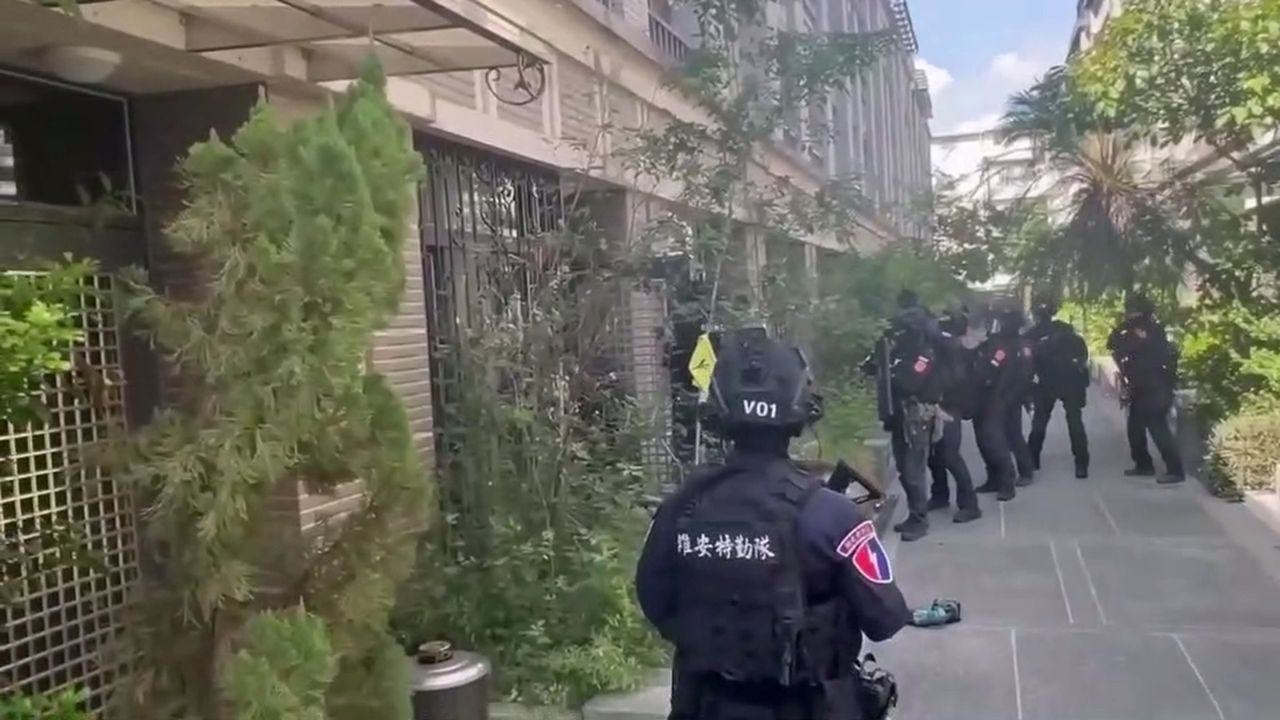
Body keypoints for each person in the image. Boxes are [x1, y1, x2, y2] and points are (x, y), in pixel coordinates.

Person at [636, 327, 911, 720]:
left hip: (704, 706)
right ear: (801, 407)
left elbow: (655, 601)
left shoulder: (680, 506)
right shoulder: (833, 514)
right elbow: (885, 617)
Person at [861, 289, 943, 541]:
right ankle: (914, 515)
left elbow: (911, 381)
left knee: (913, 469)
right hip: (899, 414)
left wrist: (892, 371)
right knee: (906, 470)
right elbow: (872, 367)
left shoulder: (923, 350)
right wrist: (881, 359)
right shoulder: (897, 347)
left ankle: (920, 520)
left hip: (916, 415)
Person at [1107, 293, 1185, 483]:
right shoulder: (1140, 329)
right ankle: (1143, 464)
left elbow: (1118, 347)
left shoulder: (1146, 331)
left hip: (1155, 385)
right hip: (1142, 385)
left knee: (1157, 426)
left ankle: (1175, 470)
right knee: (1135, 426)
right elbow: (1114, 346)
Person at [927, 306, 982, 523]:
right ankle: (940, 495)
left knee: (950, 455)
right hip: (940, 403)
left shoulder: (952, 346)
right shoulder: (946, 345)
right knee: (935, 455)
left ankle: (970, 504)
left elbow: (955, 378)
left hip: (950, 405)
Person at [1025, 297, 1091, 478]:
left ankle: (1032, 460)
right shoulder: (1067, 331)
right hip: (1071, 381)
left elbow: (1027, 362)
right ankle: (1081, 464)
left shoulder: (1031, 335)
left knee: (1039, 421)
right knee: (1075, 422)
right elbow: (1083, 355)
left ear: (1035, 314)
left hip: (1045, 382)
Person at [973, 307, 1026, 501]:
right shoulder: (987, 343)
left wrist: (1007, 395)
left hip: (996, 397)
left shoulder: (1002, 345)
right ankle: (993, 479)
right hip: (981, 398)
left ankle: (1007, 481)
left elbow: (998, 370)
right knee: (984, 442)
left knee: (996, 441)